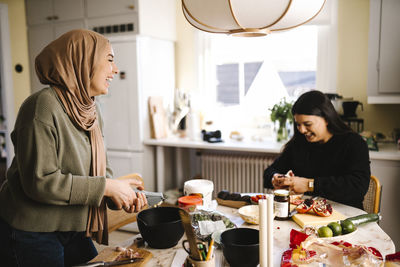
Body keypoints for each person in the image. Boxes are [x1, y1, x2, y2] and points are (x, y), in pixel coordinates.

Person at [0, 29, 148, 267]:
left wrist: (116, 194)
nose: (115, 69)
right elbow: (41, 183)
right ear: (82, 60)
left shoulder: (91, 109)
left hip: (74, 226)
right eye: (109, 60)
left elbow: (99, 174)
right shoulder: (42, 106)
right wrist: (107, 187)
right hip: (32, 230)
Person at [264, 90, 370, 210]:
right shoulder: (299, 143)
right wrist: (275, 178)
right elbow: (269, 171)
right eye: (298, 124)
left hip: (346, 215)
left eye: (307, 124)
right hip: (306, 214)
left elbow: (357, 187)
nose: (302, 130)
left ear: (327, 119)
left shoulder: (354, 143)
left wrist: (309, 185)